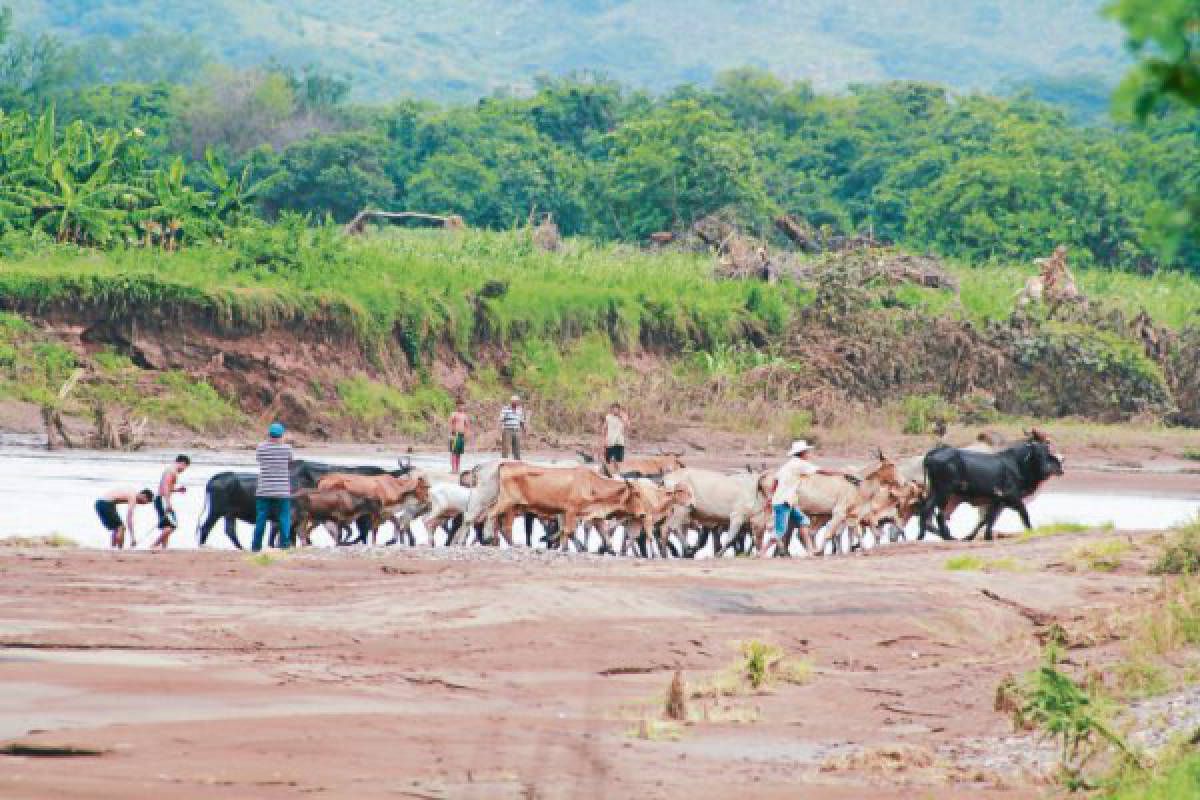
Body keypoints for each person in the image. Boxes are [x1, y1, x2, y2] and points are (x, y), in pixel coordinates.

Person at [759, 439, 858, 558]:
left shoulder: (789, 464)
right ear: (802, 453)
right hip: (783, 502)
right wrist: (841, 472)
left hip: (787, 501)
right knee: (780, 531)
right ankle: (762, 552)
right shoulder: (800, 464)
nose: (809, 454)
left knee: (803, 521)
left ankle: (811, 550)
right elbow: (822, 471)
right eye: (807, 452)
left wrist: (771, 497)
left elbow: (776, 480)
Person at [252, 422, 293, 552]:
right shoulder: (287, 448)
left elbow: (259, 461)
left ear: (268, 434)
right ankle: (284, 545)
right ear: (282, 435)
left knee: (261, 518)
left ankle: (256, 546)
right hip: (282, 491)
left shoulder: (261, 448)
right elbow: (290, 462)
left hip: (264, 490)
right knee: (284, 518)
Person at [150, 454, 190, 549]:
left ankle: (164, 547)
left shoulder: (170, 471)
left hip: (161, 499)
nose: (184, 470)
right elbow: (165, 487)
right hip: (163, 499)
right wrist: (168, 503)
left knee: (167, 525)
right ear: (182, 463)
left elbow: (166, 487)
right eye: (185, 467)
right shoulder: (171, 471)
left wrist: (177, 490)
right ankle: (154, 545)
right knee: (172, 525)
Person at [601, 402, 629, 474]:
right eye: (613, 409)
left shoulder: (624, 416)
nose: (615, 411)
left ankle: (617, 474)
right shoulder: (608, 417)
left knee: (619, 460)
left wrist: (621, 418)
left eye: (616, 409)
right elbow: (604, 428)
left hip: (619, 441)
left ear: (619, 409)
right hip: (610, 441)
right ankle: (606, 473)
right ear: (611, 409)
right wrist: (604, 440)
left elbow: (627, 426)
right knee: (607, 460)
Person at [499, 395, 526, 460]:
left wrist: (523, 430)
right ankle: (504, 461)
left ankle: (517, 461)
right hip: (507, 430)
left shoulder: (520, 410)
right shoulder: (505, 408)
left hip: (516, 430)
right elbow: (501, 419)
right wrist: (506, 417)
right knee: (506, 447)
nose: (517, 403)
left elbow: (521, 421)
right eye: (515, 401)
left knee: (517, 447)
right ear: (511, 402)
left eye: (517, 402)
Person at [448, 399, 470, 473]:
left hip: (461, 435)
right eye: (460, 405)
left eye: (463, 405)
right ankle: (453, 469)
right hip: (455, 434)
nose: (462, 407)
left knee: (459, 453)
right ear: (457, 406)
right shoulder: (453, 414)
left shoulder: (464, 415)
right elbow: (450, 424)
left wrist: (466, 435)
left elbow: (467, 426)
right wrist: (451, 434)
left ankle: (457, 469)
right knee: (454, 452)